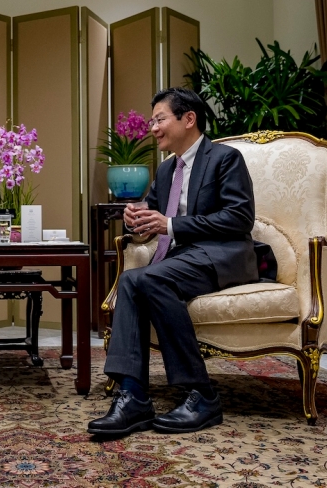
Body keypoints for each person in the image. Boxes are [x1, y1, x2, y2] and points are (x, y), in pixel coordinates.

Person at [88, 88, 256, 437]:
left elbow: (240, 218)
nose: (153, 128)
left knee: (145, 280)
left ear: (188, 119)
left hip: (220, 256)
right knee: (135, 279)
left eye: (160, 119)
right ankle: (133, 395)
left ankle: (201, 394)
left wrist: (171, 225)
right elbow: (150, 223)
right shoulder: (166, 172)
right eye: (152, 121)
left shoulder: (225, 158)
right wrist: (135, 220)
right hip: (181, 260)